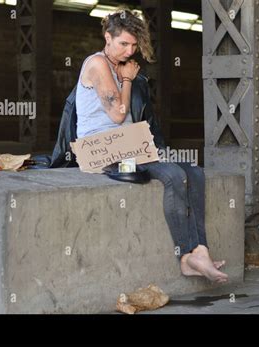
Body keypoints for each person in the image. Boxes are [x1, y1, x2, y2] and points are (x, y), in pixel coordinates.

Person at [76, 8, 228, 283]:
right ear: (107, 38)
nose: (129, 51)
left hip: (125, 146)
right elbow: (118, 114)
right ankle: (186, 256)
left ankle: (200, 251)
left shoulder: (118, 64)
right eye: (123, 43)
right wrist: (127, 80)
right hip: (100, 151)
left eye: (134, 45)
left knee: (194, 172)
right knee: (173, 176)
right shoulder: (98, 64)